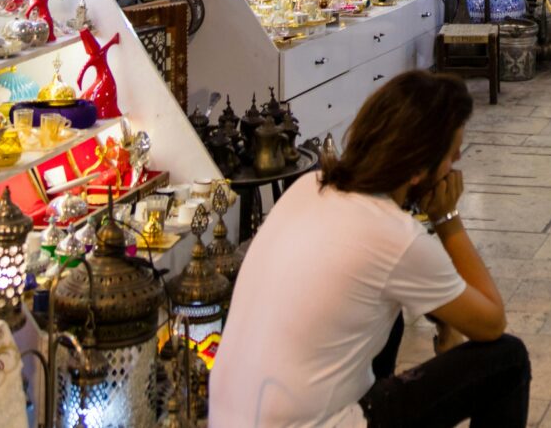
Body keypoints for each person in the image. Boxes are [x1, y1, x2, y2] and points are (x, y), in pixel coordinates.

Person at [212, 70, 529, 428]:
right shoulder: (395, 235)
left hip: (229, 417)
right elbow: (490, 323)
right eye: (451, 159)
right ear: (418, 168)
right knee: (507, 359)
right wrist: (447, 219)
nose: (453, 171)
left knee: (385, 310)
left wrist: (446, 325)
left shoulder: (309, 186)